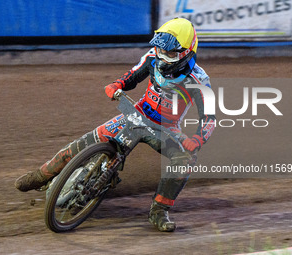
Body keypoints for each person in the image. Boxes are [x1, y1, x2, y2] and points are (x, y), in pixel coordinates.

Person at [15, 17, 216, 232]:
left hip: (165, 128)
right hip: (135, 113)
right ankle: (40, 176)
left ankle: (159, 211)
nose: (162, 57)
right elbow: (131, 77)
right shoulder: (151, 57)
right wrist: (116, 84)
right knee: (84, 142)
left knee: (186, 159)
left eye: (170, 53)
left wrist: (197, 139)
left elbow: (210, 117)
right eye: (159, 50)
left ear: (187, 53)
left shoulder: (200, 80)